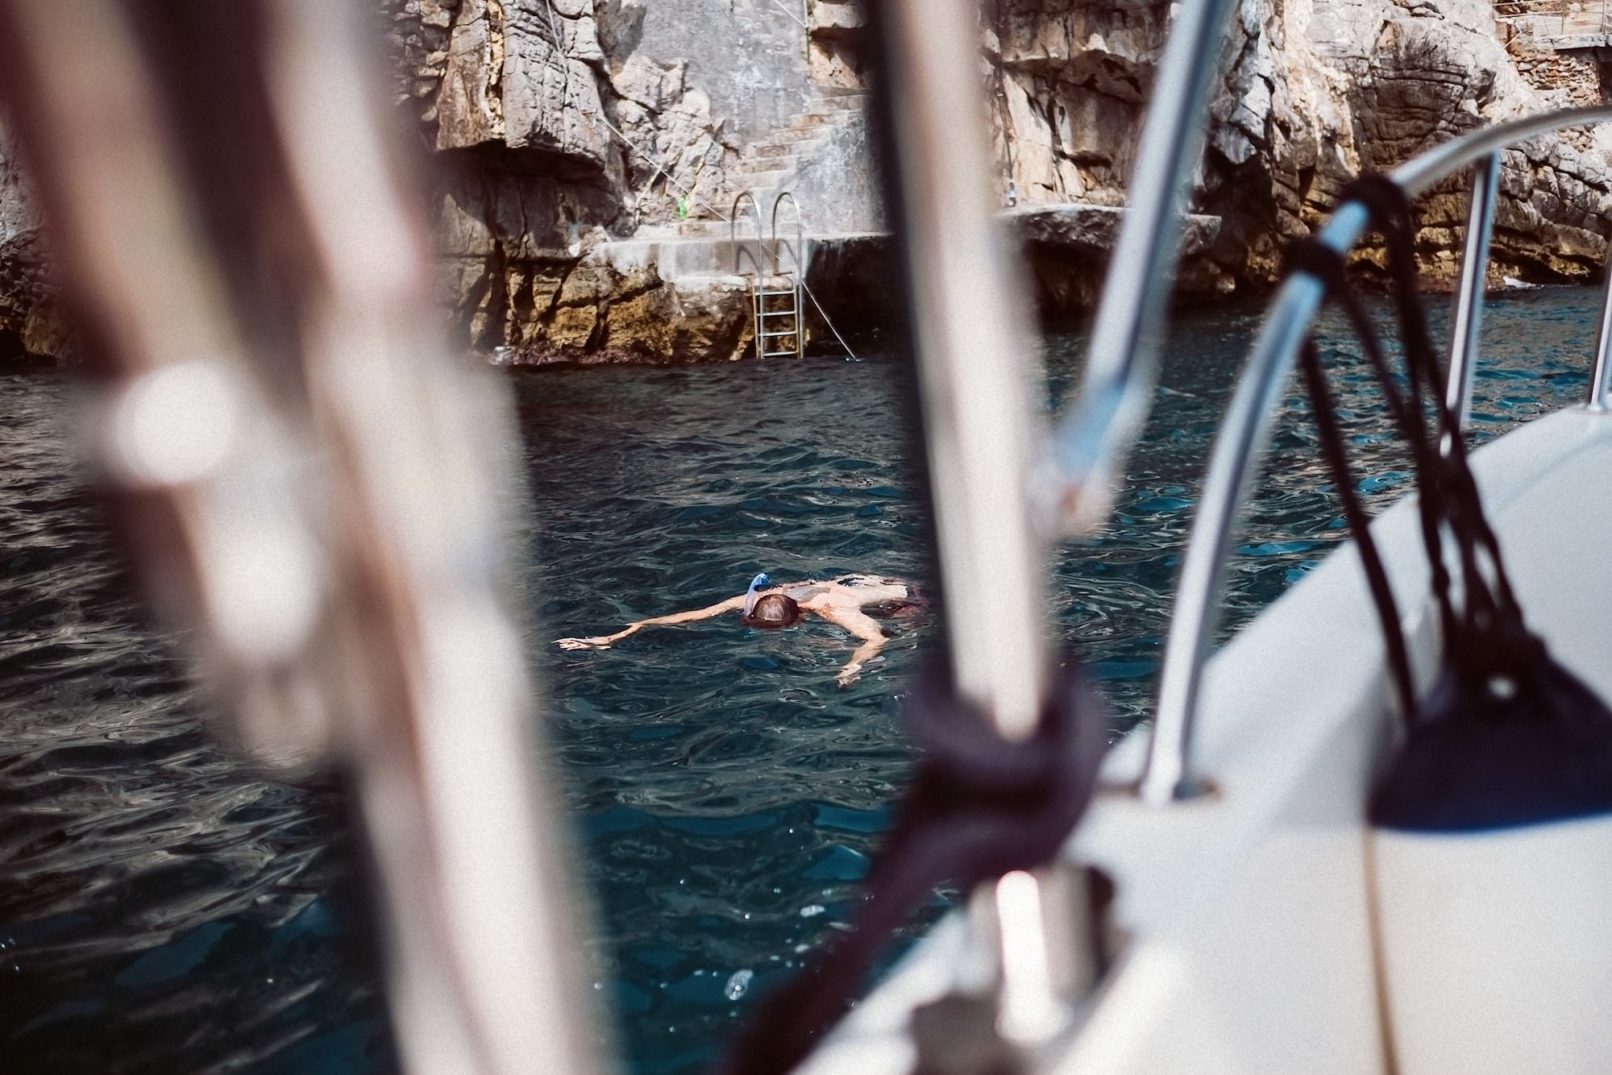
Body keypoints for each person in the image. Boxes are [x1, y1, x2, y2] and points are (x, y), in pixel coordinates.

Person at [555, 573, 922, 686]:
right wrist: (616, 635)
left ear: (797, 619)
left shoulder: (833, 609)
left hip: (909, 596)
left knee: (902, 628)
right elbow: (688, 616)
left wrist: (853, 665)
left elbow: (875, 639)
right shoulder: (758, 598)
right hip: (859, 583)